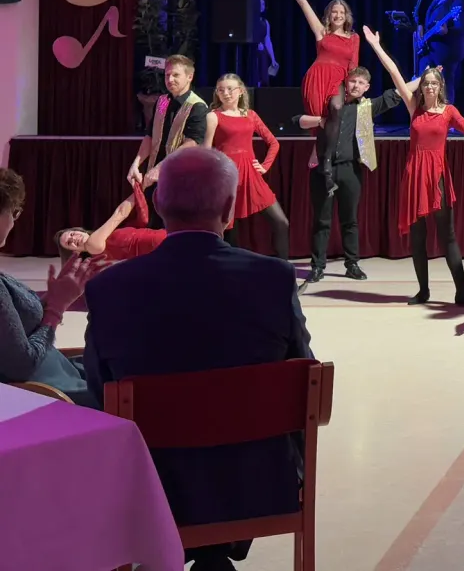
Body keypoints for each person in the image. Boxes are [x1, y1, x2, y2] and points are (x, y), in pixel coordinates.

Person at [83, 148, 313, 571]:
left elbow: (101, 394)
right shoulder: (274, 280)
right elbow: (304, 380)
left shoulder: (110, 289)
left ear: (157, 204)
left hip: (150, 484)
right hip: (256, 482)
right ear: (229, 210)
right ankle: (212, 556)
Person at [363, 26, 464, 307]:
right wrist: (376, 46)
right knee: (418, 238)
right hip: (414, 175)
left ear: (440, 86)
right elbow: (394, 73)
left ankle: (460, 291)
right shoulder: (413, 107)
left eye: (433, 83)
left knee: (447, 236)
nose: (429, 86)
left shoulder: (448, 111)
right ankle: (423, 291)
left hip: (438, 175)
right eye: (426, 82)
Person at [294, 66, 400, 284]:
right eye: (353, 81)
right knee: (322, 220)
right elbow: (296, 119)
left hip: (350, 169)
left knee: (349, 220)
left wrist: (421, 79)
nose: (356, 86)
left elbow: (395, 95)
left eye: (361, 83)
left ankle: (352, 264)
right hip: (323, 168)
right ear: (345, 82)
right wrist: (320, 120)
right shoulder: (330, 104)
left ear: (367, 88)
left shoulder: (366, 108)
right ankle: (317, 267)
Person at [0, 168, 97, 405]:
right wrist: (56, 308)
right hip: (50, 396)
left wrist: (56, 296)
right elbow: (22, 366)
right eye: (13, 212)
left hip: (55, 375)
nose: (14, 220)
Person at [204, 74, 290, 261]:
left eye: (230, 89)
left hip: (251, 177)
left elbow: (274, 143)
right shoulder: (213, 116)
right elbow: (206, 152)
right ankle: (231, 275)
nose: (225, 93)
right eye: (220, 90)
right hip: (227, 178)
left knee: (281, 222)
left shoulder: (250, 115)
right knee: (229, 231)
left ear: (241, 91)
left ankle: (284, 271)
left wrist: (265, 166)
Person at [127, 54, 209, 226]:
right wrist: (136, 163)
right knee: (153, 226)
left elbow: (191, 143)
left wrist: (159, 168)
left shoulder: (197, 106)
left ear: (189, 77)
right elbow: (150, 136)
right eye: (167, 75)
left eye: (175, 75)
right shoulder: (162, 101)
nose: (170, 79)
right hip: (154, 177)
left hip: (181, 178)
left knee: (177, 227)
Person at [276, 0, 359, 115]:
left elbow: (353, 66)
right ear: (329, 14)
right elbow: (303, 3)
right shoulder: (322, 32)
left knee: (336, 112)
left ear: (347, 16)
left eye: (342, 12)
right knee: (319, 123)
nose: (338, 15)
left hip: (339, 83)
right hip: (317, 79)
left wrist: (355, 87)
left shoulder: (354, 38)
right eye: (335, 11)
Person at [55, 182, 165, 263]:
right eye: (69, 243)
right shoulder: (92, 245)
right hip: (157, 242)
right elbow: (120, 214)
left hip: (157, 242)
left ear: (78, 230)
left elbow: (136, 227)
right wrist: (142, 186)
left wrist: (140, 190)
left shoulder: (103, 238)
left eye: (72, 234)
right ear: (75, 253)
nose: (73, 238)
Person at [416, 0, 464, 103]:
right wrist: (421, 29)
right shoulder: (435, 2)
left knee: (445, 85)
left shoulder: (457, 3)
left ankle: (447, 116)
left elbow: (461, 27)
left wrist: (447, 31)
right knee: (422, 81)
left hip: (446, 53)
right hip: (430, 52)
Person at [250, 0, 278, 89]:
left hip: (262, 54)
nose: (261, 6)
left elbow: (268, 41)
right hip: (252, 54)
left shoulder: (265, 22)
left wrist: (273, 59)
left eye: (263, 4)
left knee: (263, 80)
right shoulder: (250, 21)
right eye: (259, 4)